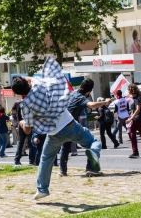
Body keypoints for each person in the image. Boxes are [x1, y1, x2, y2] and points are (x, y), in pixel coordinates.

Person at [12, 57, 103, 200]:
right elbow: (32, 78)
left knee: (46, 158)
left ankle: (42, 189)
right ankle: (94, 154)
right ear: (28, 83)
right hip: (69, 124)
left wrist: (23, 124)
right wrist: (24, 78)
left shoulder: (25, 106)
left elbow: (28, 131)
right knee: (94, 142)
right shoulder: (39, 84)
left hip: (54, 133)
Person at [59, 78, 111, 177]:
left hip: (62, 125)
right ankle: (90, 168)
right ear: (89, 91)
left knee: (65, 146)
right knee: (93, 143)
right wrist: (105, 102)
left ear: (80, 86)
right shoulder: (81, 97)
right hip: (71, 126)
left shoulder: (72, 93)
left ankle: (62, 170)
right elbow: (91, 105)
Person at [127, 83, 141, 158]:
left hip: (139, 119)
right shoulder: (133, 98)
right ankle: (135, 152)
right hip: (134, 119)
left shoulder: (138, 97)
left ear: (131, 90)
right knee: (132, 135)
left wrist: (131, 118)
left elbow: (138, 109)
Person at [13, 98, 32, 165]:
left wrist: (18, 121)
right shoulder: (30, 101)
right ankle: (31, 160)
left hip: (21, 123)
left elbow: (15, 113)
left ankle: (17, 159)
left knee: (20, 142)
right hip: (28, 123)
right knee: (31, 142)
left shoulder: (18, 103)